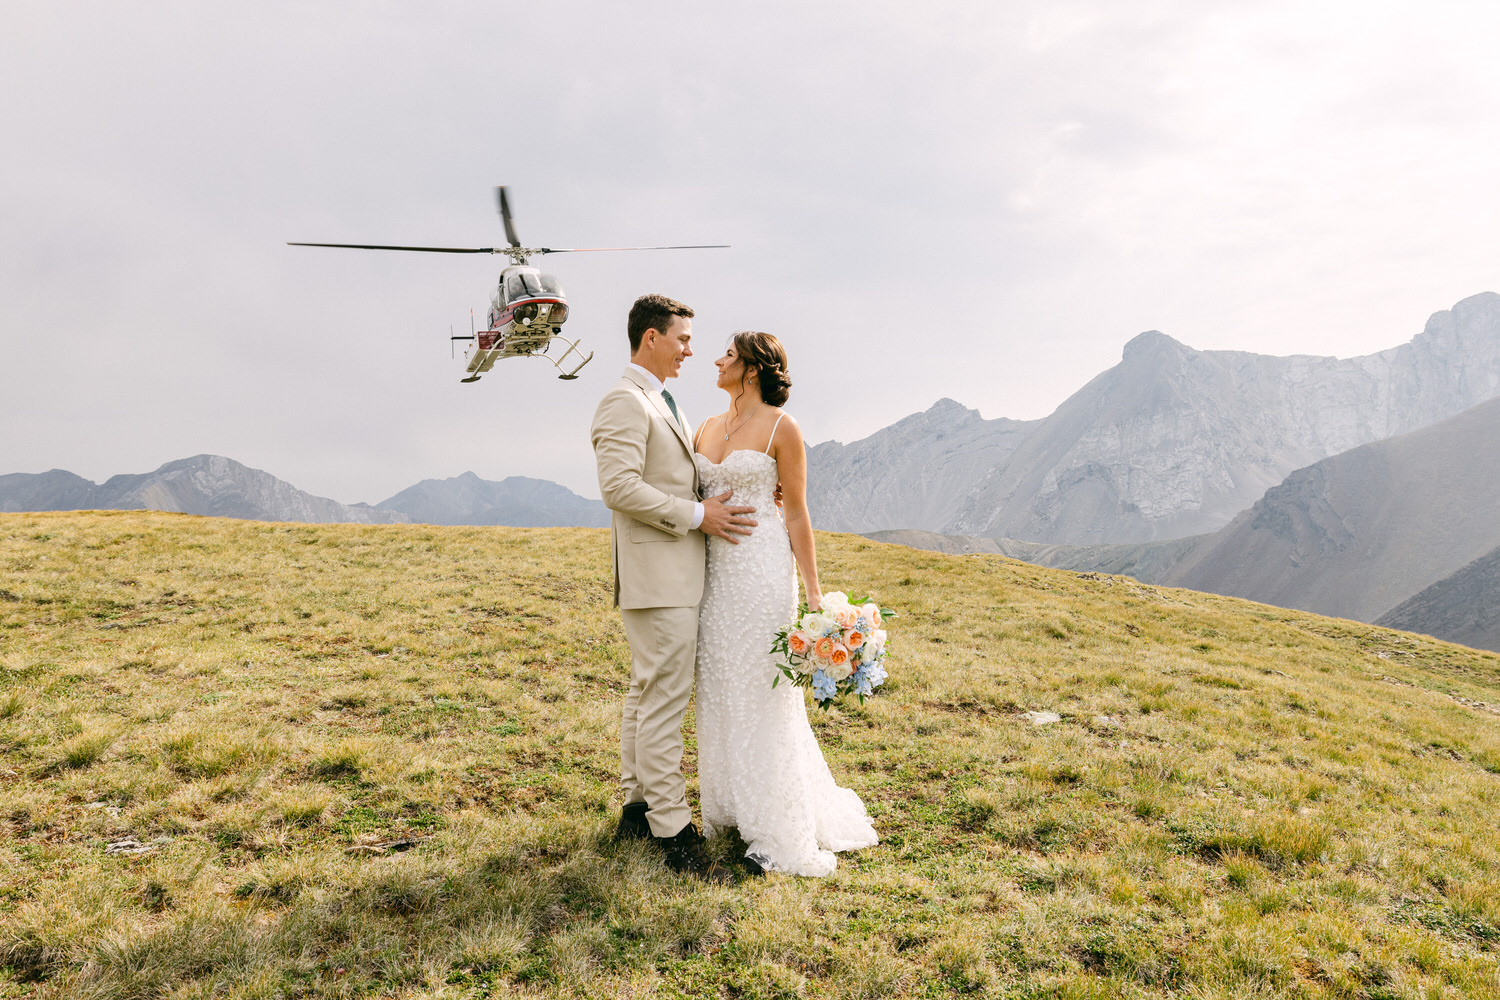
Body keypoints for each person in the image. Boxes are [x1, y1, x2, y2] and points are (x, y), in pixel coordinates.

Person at [691, 331, 878, 876]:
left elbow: (795, 511)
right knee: (720, 682)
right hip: (713, 574)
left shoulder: (782, 427)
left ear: (751, 369)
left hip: (762, 571)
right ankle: (728, 807)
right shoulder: (703, 427)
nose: (718, 360)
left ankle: (775, 830)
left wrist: (815, 593)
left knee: (762, 689)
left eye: (728, 354)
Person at [589, 294, 756, 882]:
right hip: (658, 577)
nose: (691, 350)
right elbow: (619, 487)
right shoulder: (624, 401)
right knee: (664, 702)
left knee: (646, 693)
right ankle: (674, 834)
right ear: (651, 338)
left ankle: (637, 809)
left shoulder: (666, 402)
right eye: (683, 339)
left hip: (672, 575)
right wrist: (696, 516)